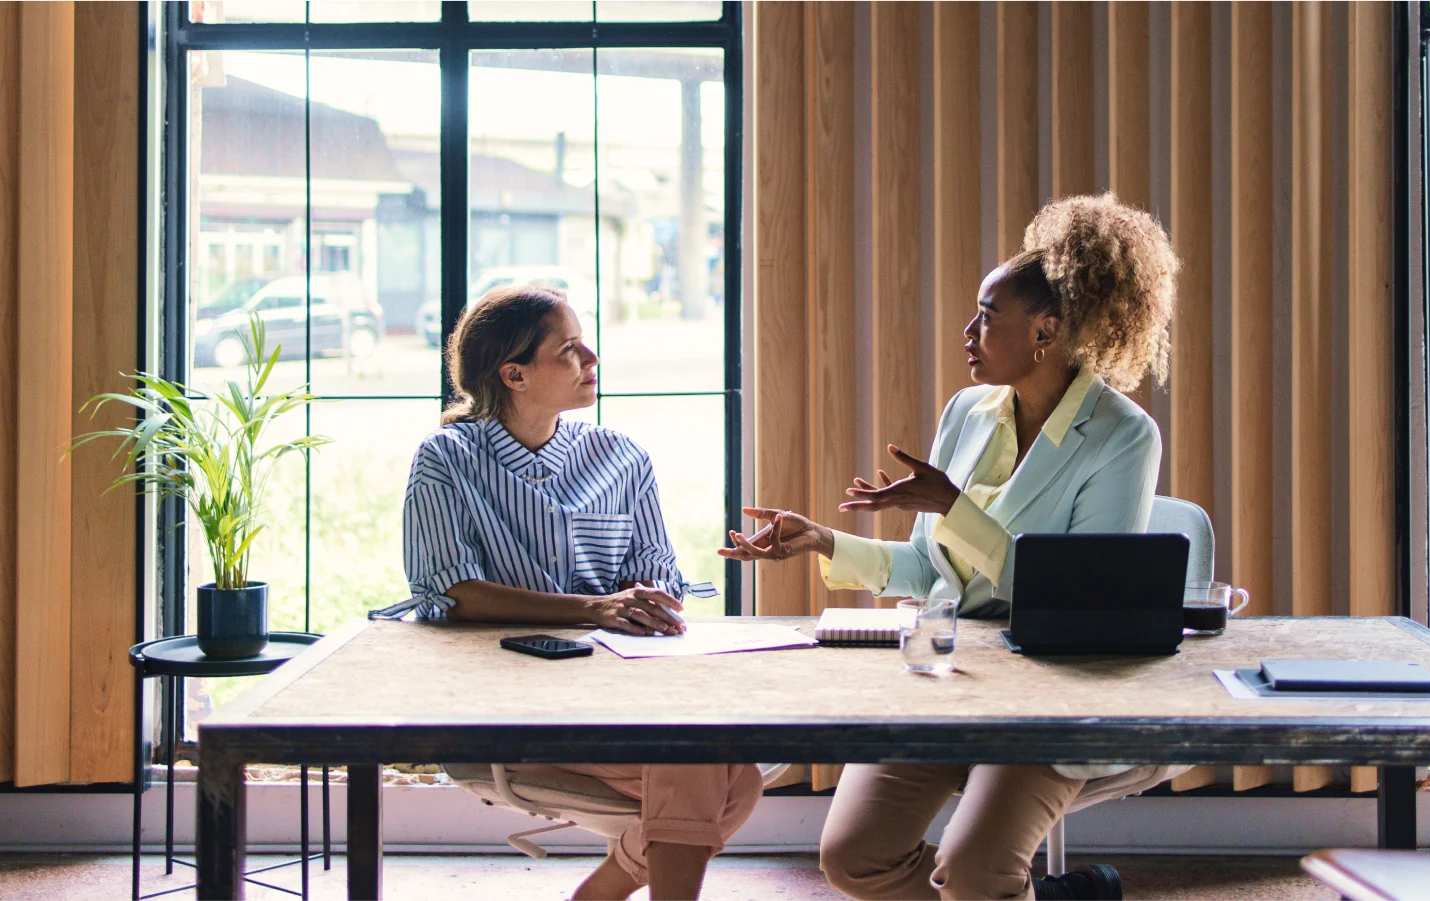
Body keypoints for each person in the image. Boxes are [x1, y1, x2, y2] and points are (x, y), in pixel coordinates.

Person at [720, 194, 1184, 901]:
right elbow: (926, 570)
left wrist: (954, 507)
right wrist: (822, 541)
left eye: (988, 316)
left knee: (972, 873)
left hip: (1051, 696)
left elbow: (1080, 595)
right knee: (853, 856)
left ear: (1047, 331)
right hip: (950, 675)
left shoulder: (1123, 435)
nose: (968, 331)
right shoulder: (967, 412)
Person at [386, 284, 760, 901]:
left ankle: (597, 896)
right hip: (507, 713)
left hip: (618, 698)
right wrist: (595, 608)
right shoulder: (446, 459)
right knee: (712, 768)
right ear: (515, 374)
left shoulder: (620, 457)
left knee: (731, 777)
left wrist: (651, 601)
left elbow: (657, 569)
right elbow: (451, 592)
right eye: (568, 349)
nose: (591, 360)